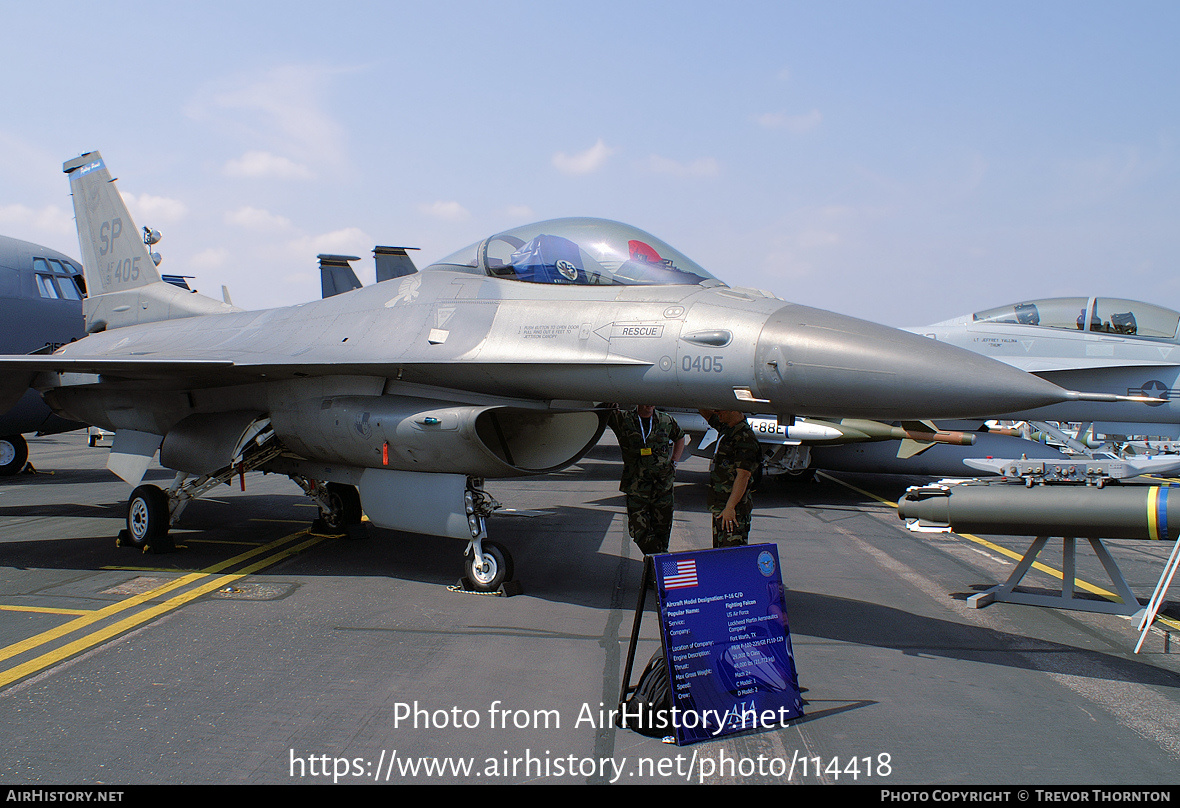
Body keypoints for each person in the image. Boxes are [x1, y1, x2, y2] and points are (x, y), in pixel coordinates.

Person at [606, 404, 686, 555]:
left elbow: (680, 437)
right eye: (645, 401)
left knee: (662, 531)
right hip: (636, 486)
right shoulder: (624, 419)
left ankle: (655, 569)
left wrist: (674, 462)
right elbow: (606, 408)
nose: (649, 404)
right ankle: (659, 558)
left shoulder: (665, 420)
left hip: (662, 487)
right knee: (638, 530)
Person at [698, 409, 762, 547]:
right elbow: (707, 414)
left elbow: (743, 475)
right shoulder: (727, 428)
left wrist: (730, 507)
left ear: (734, 410)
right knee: (720, 551)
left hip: (733, 511)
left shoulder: (745, 438)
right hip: (721, 507)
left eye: (721, 409)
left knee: (732, 554)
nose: (717, 412)